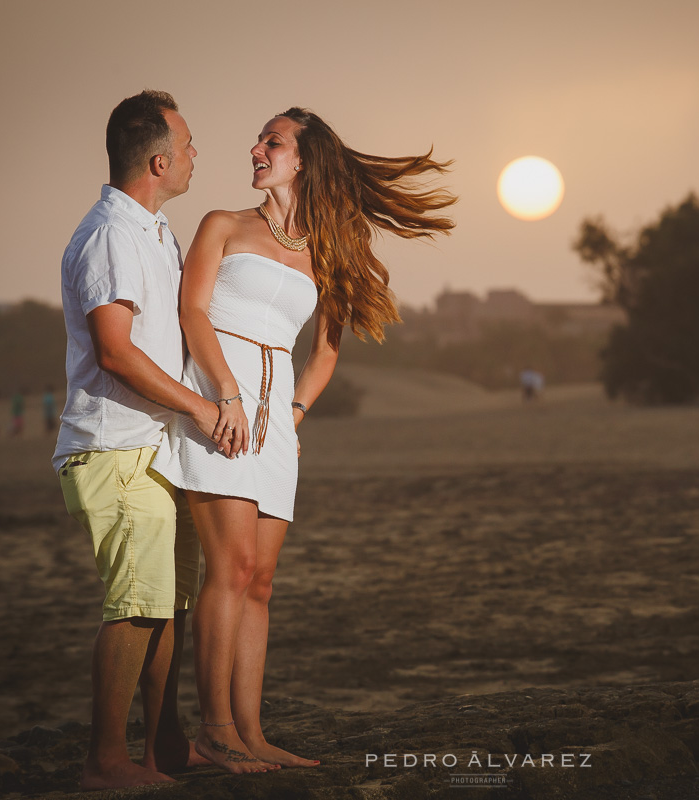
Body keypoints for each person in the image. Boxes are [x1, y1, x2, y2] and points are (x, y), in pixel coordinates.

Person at [152, 108, 455, 772]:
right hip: (218, 411)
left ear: (303, 160)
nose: (256, 148)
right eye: (261, 140)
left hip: (274, 430)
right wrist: (225, 395)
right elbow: (191, 312)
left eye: (273, 141)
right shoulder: (223, 226)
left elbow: (323, 355)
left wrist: (291, 416)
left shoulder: (329, 247)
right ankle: (215, 732)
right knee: (227, 572)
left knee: (259, 582)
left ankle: (252, 735)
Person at [53, 89, 224, 790]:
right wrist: (202, 409)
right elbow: (117, 353)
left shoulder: (153, 230)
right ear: (158, 160)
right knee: (137, 604)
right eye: (187, 146)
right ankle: (105, 762)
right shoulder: (110, 235)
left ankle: (163, 746)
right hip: (116, 444)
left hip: (159, 446)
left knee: (170, 601)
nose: (195, 157)